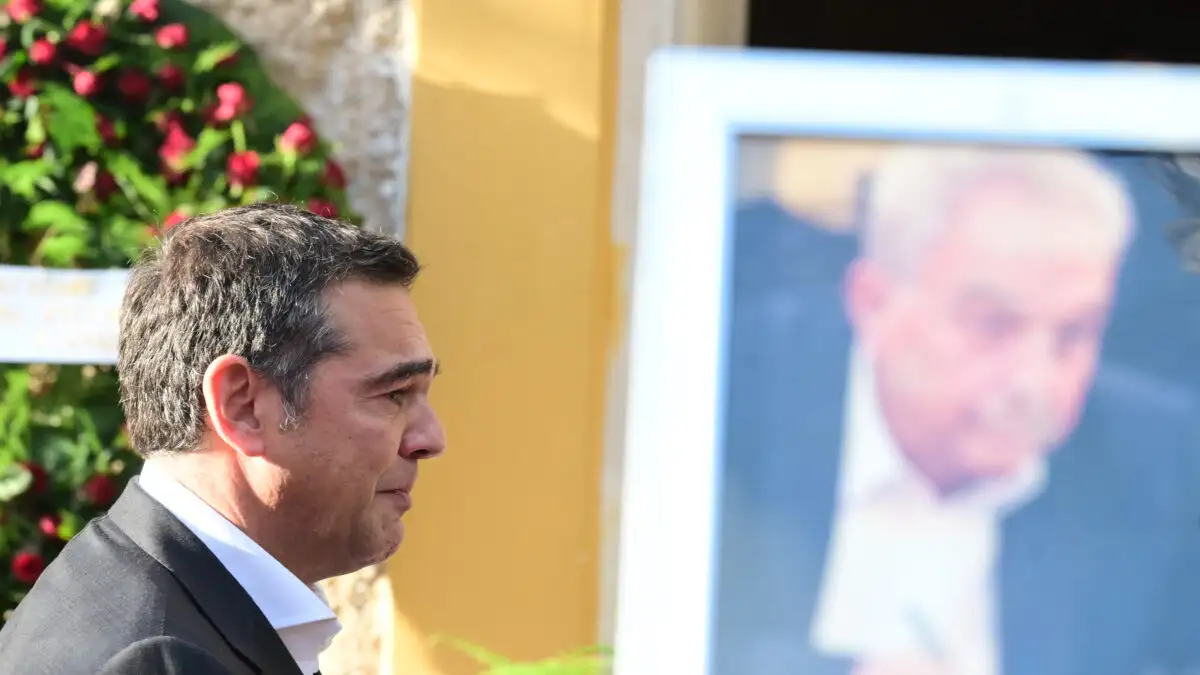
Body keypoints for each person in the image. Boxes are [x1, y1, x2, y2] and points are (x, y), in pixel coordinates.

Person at [714, 146, 1200, 675]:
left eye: (1073, 333)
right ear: (873, 300)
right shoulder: (722, 403)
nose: (1034, 383)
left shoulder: (1164, 467)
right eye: (992, 325)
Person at [0, 202, 446, 674]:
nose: (431, 439)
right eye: (394, 394)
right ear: (241, 405)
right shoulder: (156, 659)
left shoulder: (155, 601)